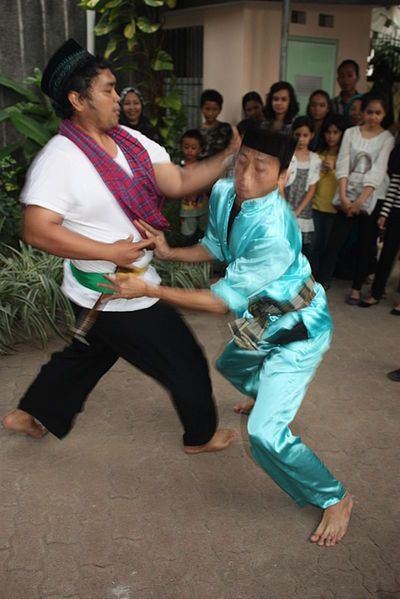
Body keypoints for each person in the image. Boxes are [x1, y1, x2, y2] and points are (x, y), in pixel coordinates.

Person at [103, 127, 353, 547]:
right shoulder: (223, 193)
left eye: (261, 167)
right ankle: (269, 394)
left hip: (300, 326)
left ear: (282, 177)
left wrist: (150, 290)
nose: (246, 174)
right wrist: (170, 253)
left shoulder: (275, 229)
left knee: (263, 434)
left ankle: (334, 497)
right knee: (231, 363)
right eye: (242, 160)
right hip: (264, 314)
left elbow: (220, 303)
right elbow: (215, 246)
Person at [2, 39, 238, 455]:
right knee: (186, 361)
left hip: (113, 285)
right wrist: (108, 251)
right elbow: (36, 230)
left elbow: (178, 183)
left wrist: (229, 157)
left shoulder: (132, 141)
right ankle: (200, 436)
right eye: (108, 89)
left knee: (91, 353)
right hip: (115, 289)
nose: (119, 97)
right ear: (78, 99)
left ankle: (31, 413)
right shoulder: (59, 160)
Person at [318, 92, 394, 302]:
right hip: (346, 194)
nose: (373, 117)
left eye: (378, 113)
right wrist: (343, 197)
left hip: (371, 197)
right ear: (363, 112)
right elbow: (343, 163)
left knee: (366, 243)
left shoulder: (387, 138)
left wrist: (360, 201)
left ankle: (356, 288)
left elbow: (378, 171)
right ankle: (321, 281)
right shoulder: (351, 133)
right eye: (369, 112)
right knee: (335, 241)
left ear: (384, 114)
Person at [358, 141, 400, 310]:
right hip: (396, 212)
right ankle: (376, 292)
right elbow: (394, 187)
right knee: (387, 254)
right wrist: (384, 213)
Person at [311, 115, 346, 278]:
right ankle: (312, 277)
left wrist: (335, 169)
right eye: (328, 132)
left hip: (335, 208)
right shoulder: (318, 154)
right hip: (317, 205)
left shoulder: (344, 157)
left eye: (335, 132)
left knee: (329, 247)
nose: (331, 136)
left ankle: (324, 278)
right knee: (314, 245)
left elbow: (347, 181)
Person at [286, 116, 321, 261]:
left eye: (305, 135)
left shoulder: (315, 159)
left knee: (300, 247)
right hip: (286, 204)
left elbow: (312, 188)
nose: (301, 139)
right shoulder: (287, 155)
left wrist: (298, 211)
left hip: (303, 208)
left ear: (312, 135)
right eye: (298, 135)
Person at [178, 129, 209, 243]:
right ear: (181, 147)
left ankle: (201, 246)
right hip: (187, 207)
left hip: (203, 205)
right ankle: (187, 247)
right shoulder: (179, 167)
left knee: (204, 228)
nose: (189, 151)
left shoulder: (202, 166)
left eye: (193, 148)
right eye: (186, 147)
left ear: (200, 149)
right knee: (187, 231)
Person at [199, 89, 232, 159]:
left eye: (214, 109)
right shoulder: (197, 132)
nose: (210, 113)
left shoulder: (226, 129)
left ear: (220, 110)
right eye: (207, 109)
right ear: (201, 109)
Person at [332, 59, 360, 124]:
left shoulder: (364, 102)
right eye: (342, 76)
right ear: (338, 79)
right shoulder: (332, 104)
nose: (345, 80)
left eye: (350, 75)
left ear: (357, 78)